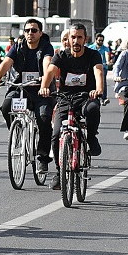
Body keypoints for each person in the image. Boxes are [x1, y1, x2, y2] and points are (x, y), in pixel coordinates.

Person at [41, 23, 106, 159]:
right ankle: (59, 173)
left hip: (86, 97)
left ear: (85, 39)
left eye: (79, 37)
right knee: (56, 134)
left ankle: (92, 137)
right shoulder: (60, 56)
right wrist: (44, 87)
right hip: (65, 98)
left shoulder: (93, 55)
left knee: (93, 109)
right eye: (73, 37)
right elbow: (50, 71)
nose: (76, 41)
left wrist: (98, 90)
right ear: (69, 39)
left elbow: (98, 72)